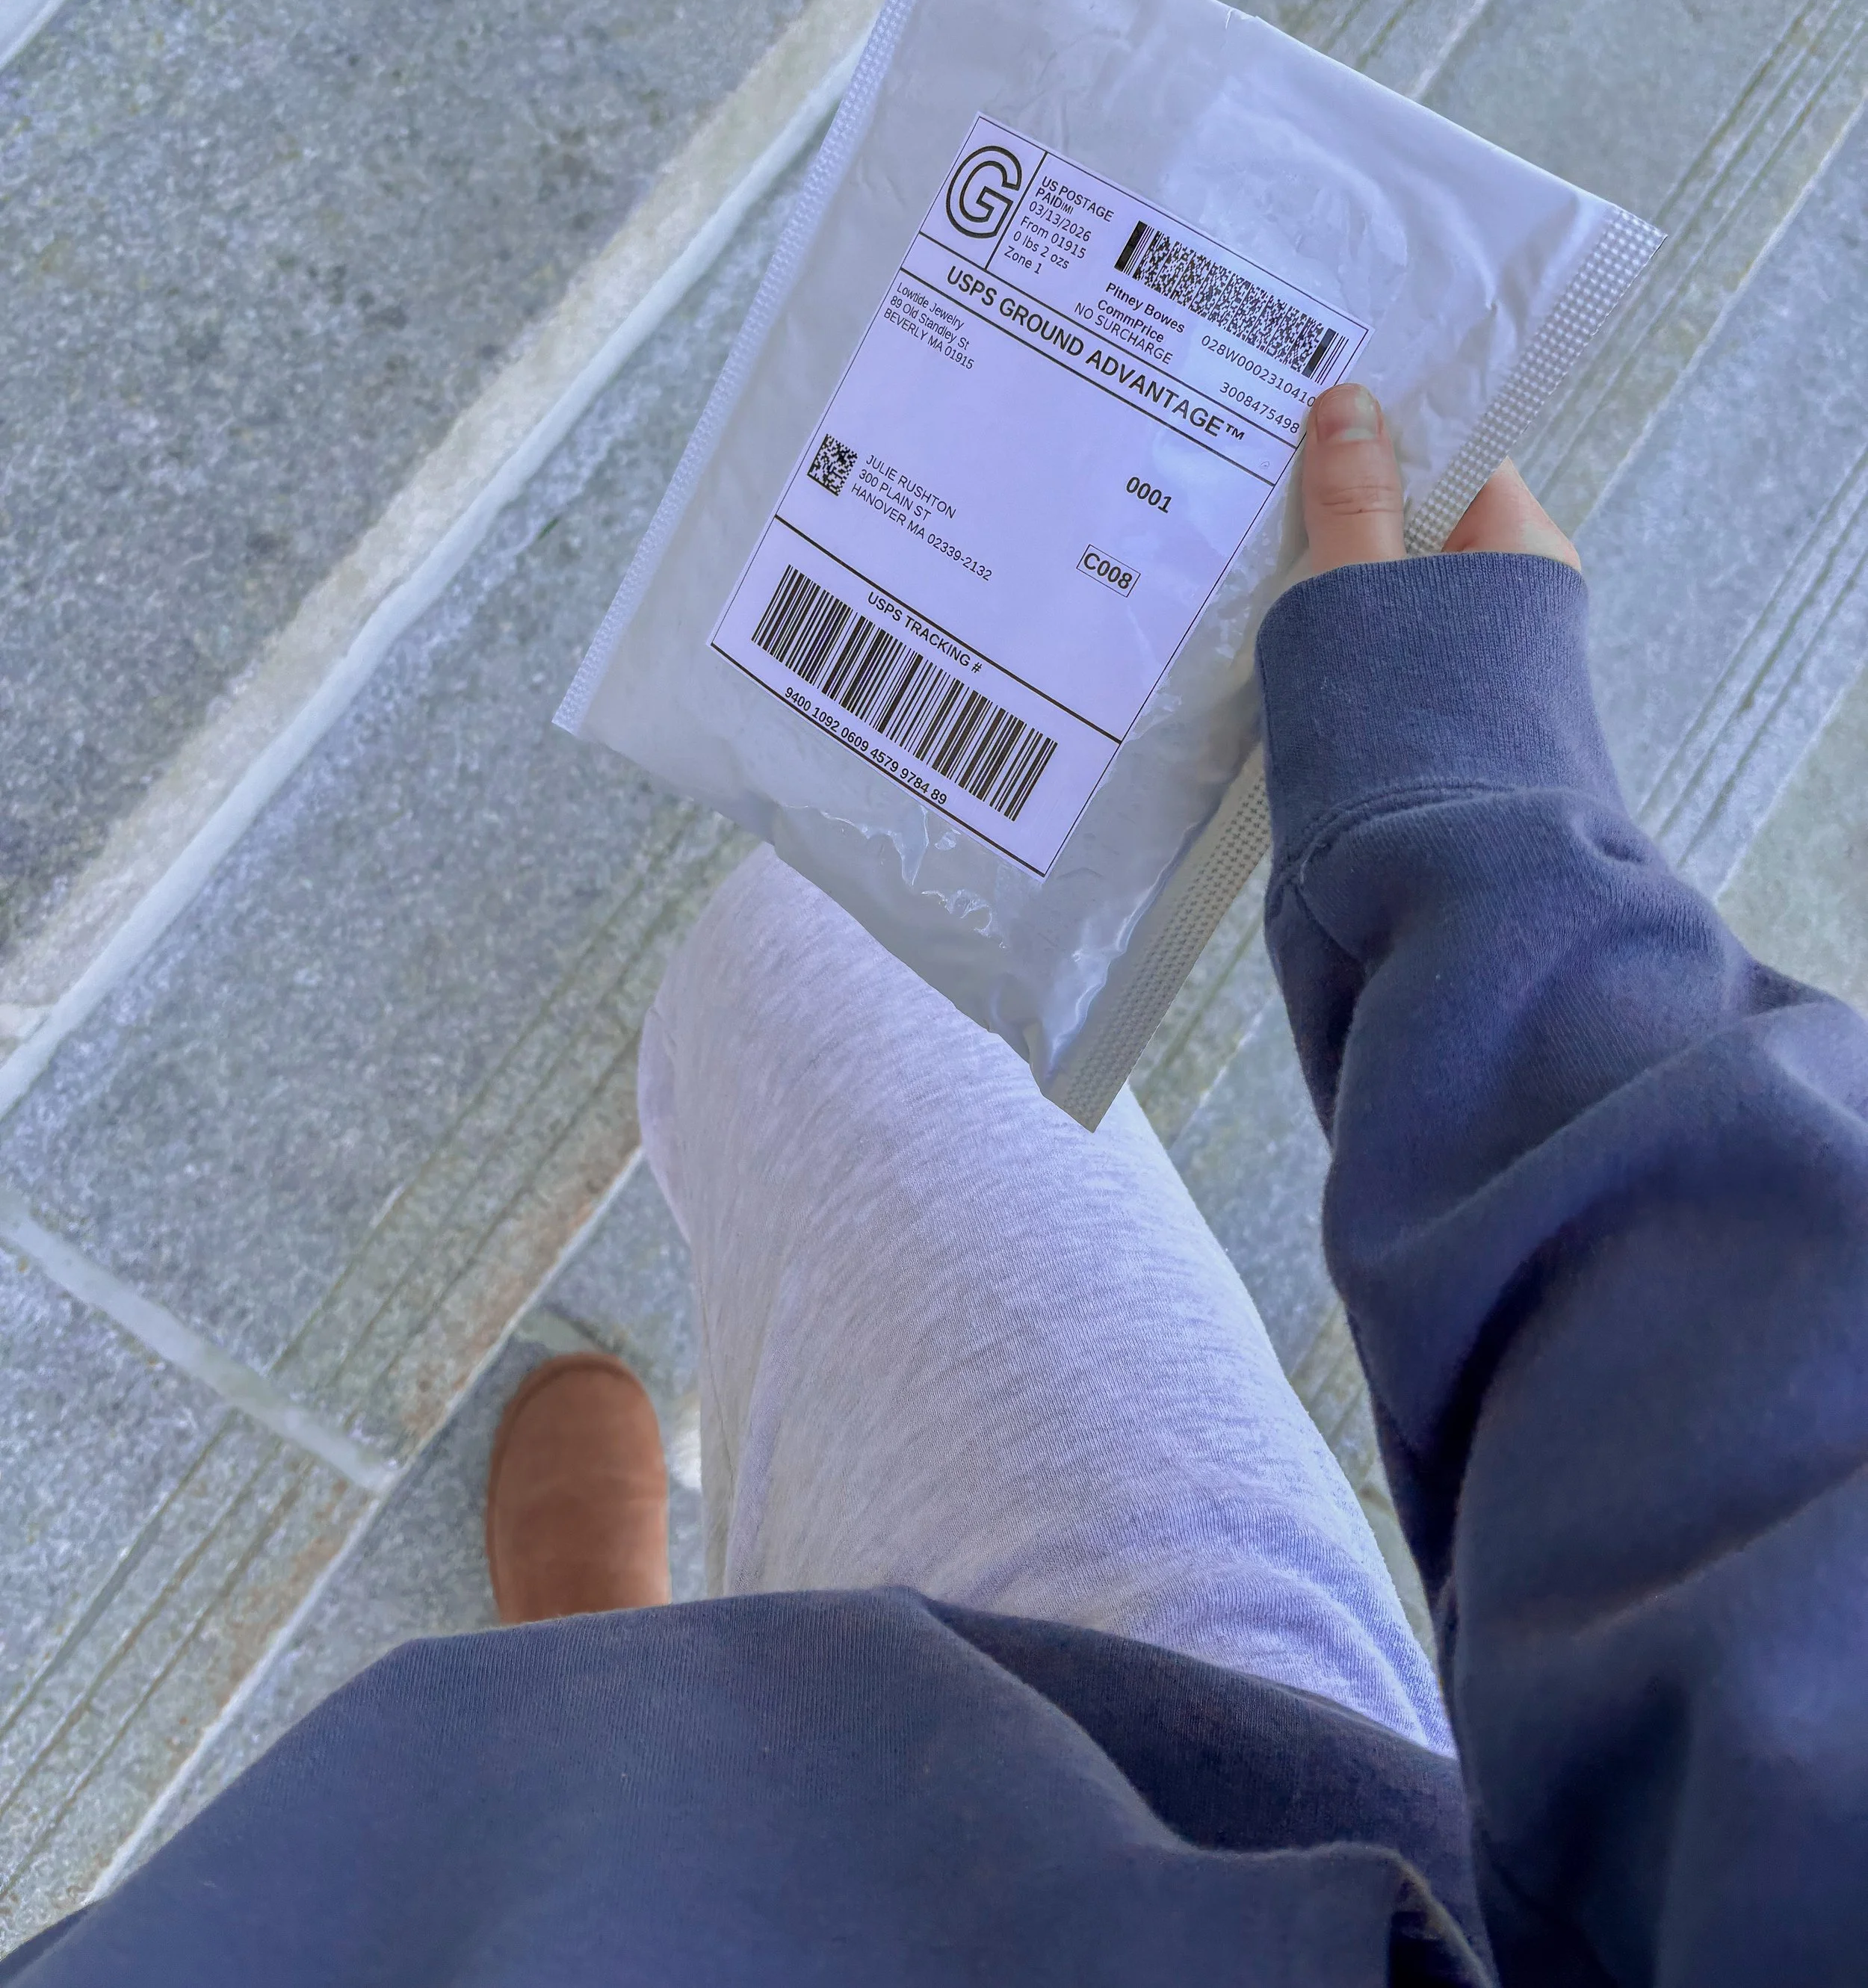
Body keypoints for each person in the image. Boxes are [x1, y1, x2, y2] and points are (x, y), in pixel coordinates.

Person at [9, 385, 1864, 1984]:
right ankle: (602, 1654)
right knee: (841, 969)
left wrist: (1494, 875)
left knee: (820, 992)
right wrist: (1488, 882)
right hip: (1233, 1862)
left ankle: (587, 1632)